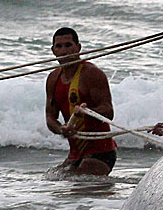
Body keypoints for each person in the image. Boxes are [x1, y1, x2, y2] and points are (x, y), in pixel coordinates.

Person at [44, 27, 117, 175]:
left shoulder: (91, 74)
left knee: (79, 185)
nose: (64, 51)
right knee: (49, 179)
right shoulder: (53, 78)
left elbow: (108, 112)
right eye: (59, 46)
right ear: (53, 51)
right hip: (75, 155)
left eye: (68, 45)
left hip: (101, 152)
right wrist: (61, 129)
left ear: (78, 48)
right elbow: (50, 117)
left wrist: (87, 112)